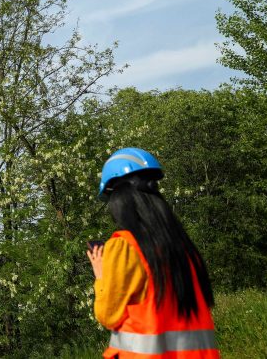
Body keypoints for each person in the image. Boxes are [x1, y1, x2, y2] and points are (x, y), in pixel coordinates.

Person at [86, 148, 219, 358]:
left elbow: (108, 315)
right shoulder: (185, 251)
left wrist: (101, 276)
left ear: (120, 200)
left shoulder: (125, 247)